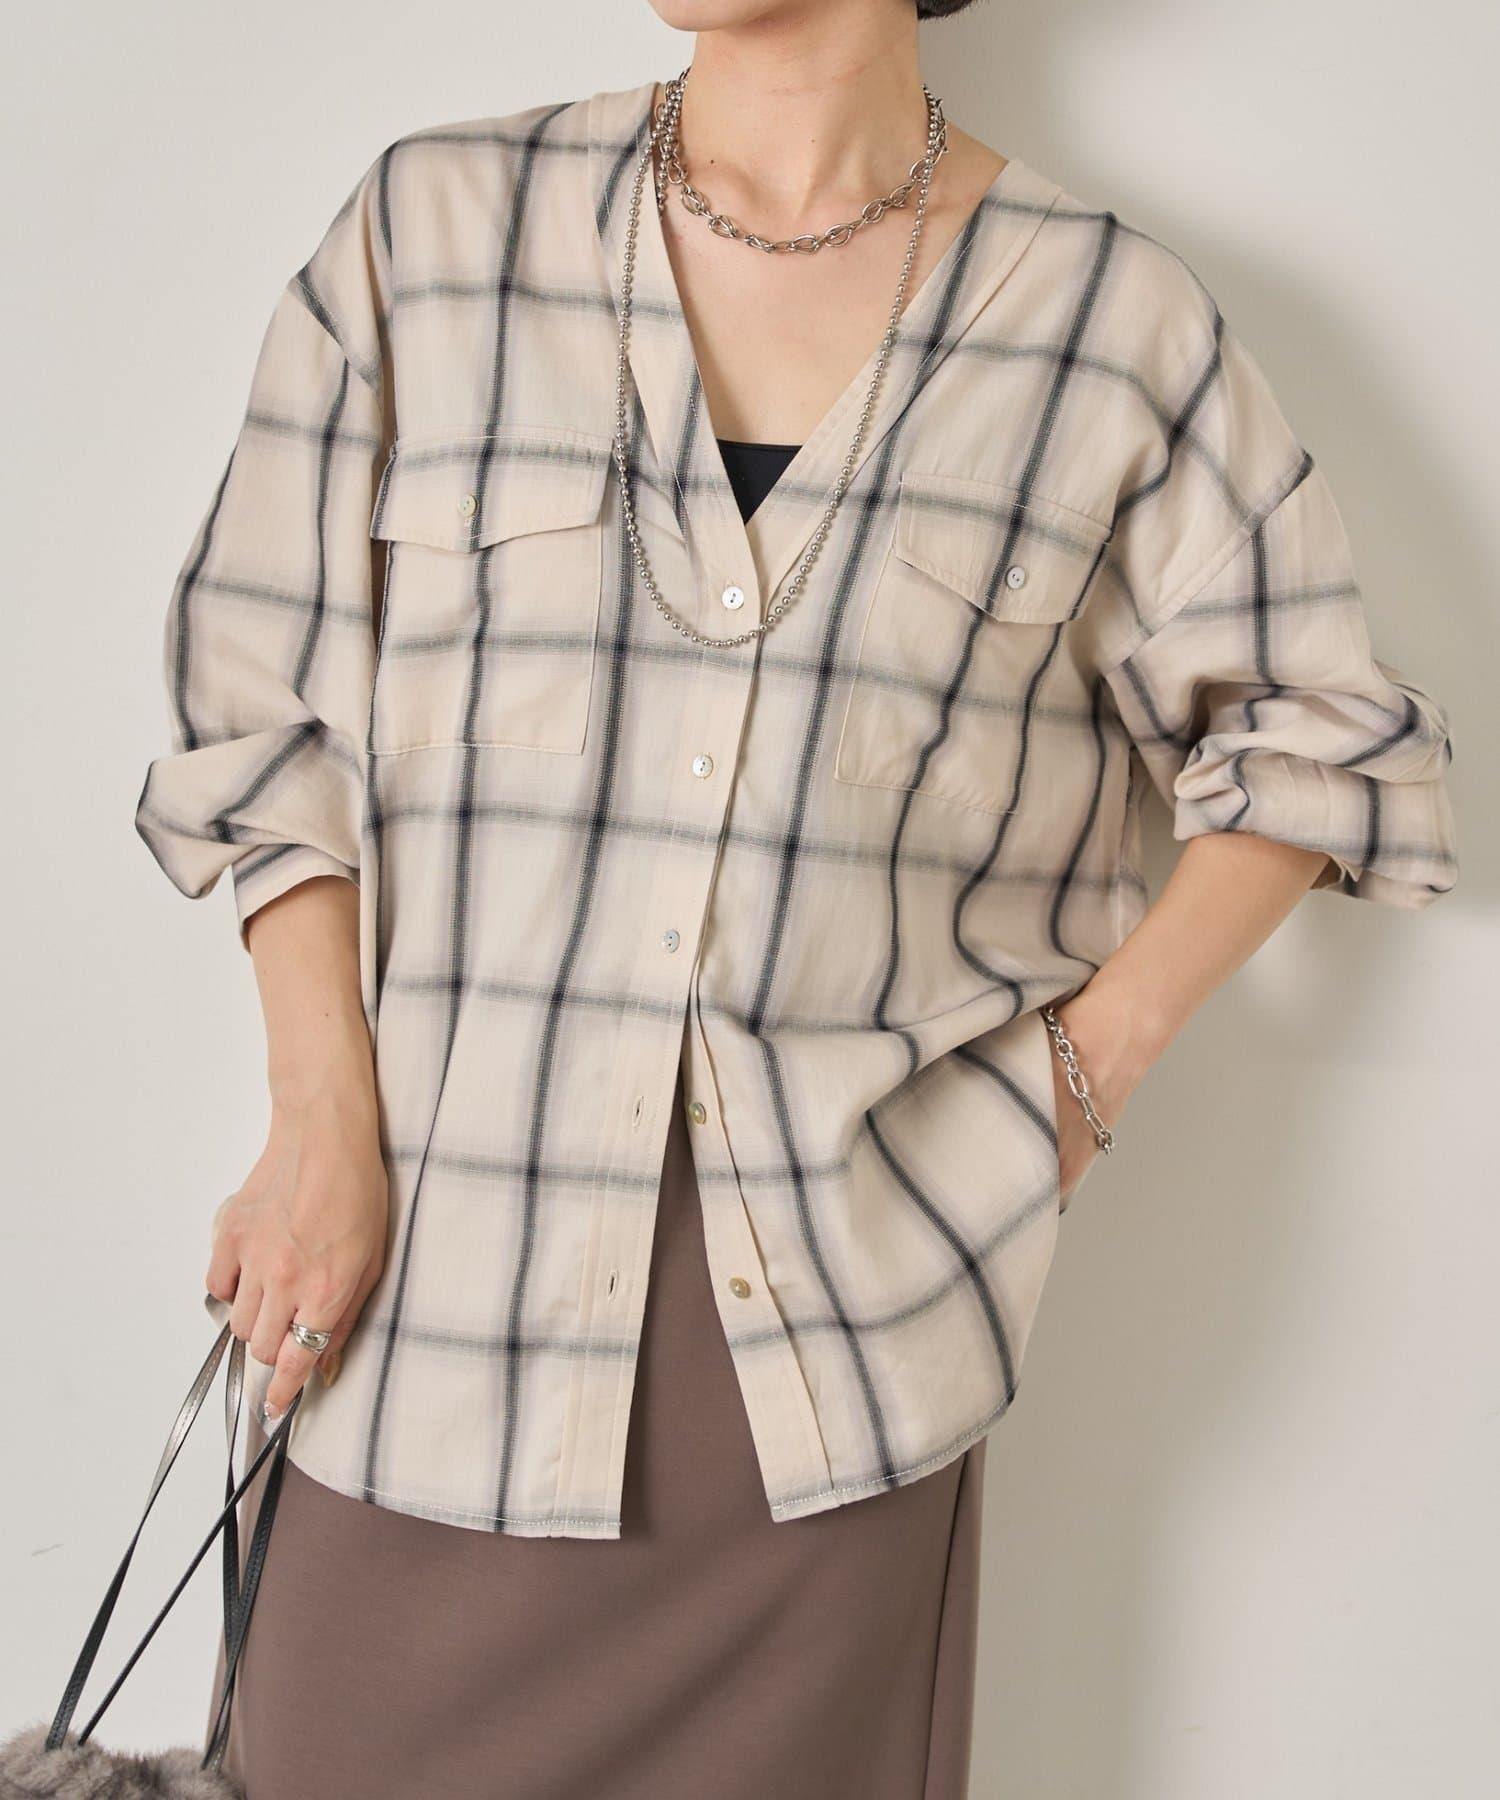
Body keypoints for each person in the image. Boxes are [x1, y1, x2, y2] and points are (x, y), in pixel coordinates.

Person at [132, 2, 1459, 1794]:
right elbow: (263, 715)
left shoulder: (1106, 327)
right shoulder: (434, 235)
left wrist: (1080, 1082)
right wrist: (315, 1115)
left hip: (822, 1389)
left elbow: (1325, 742)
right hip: (419, 1320)